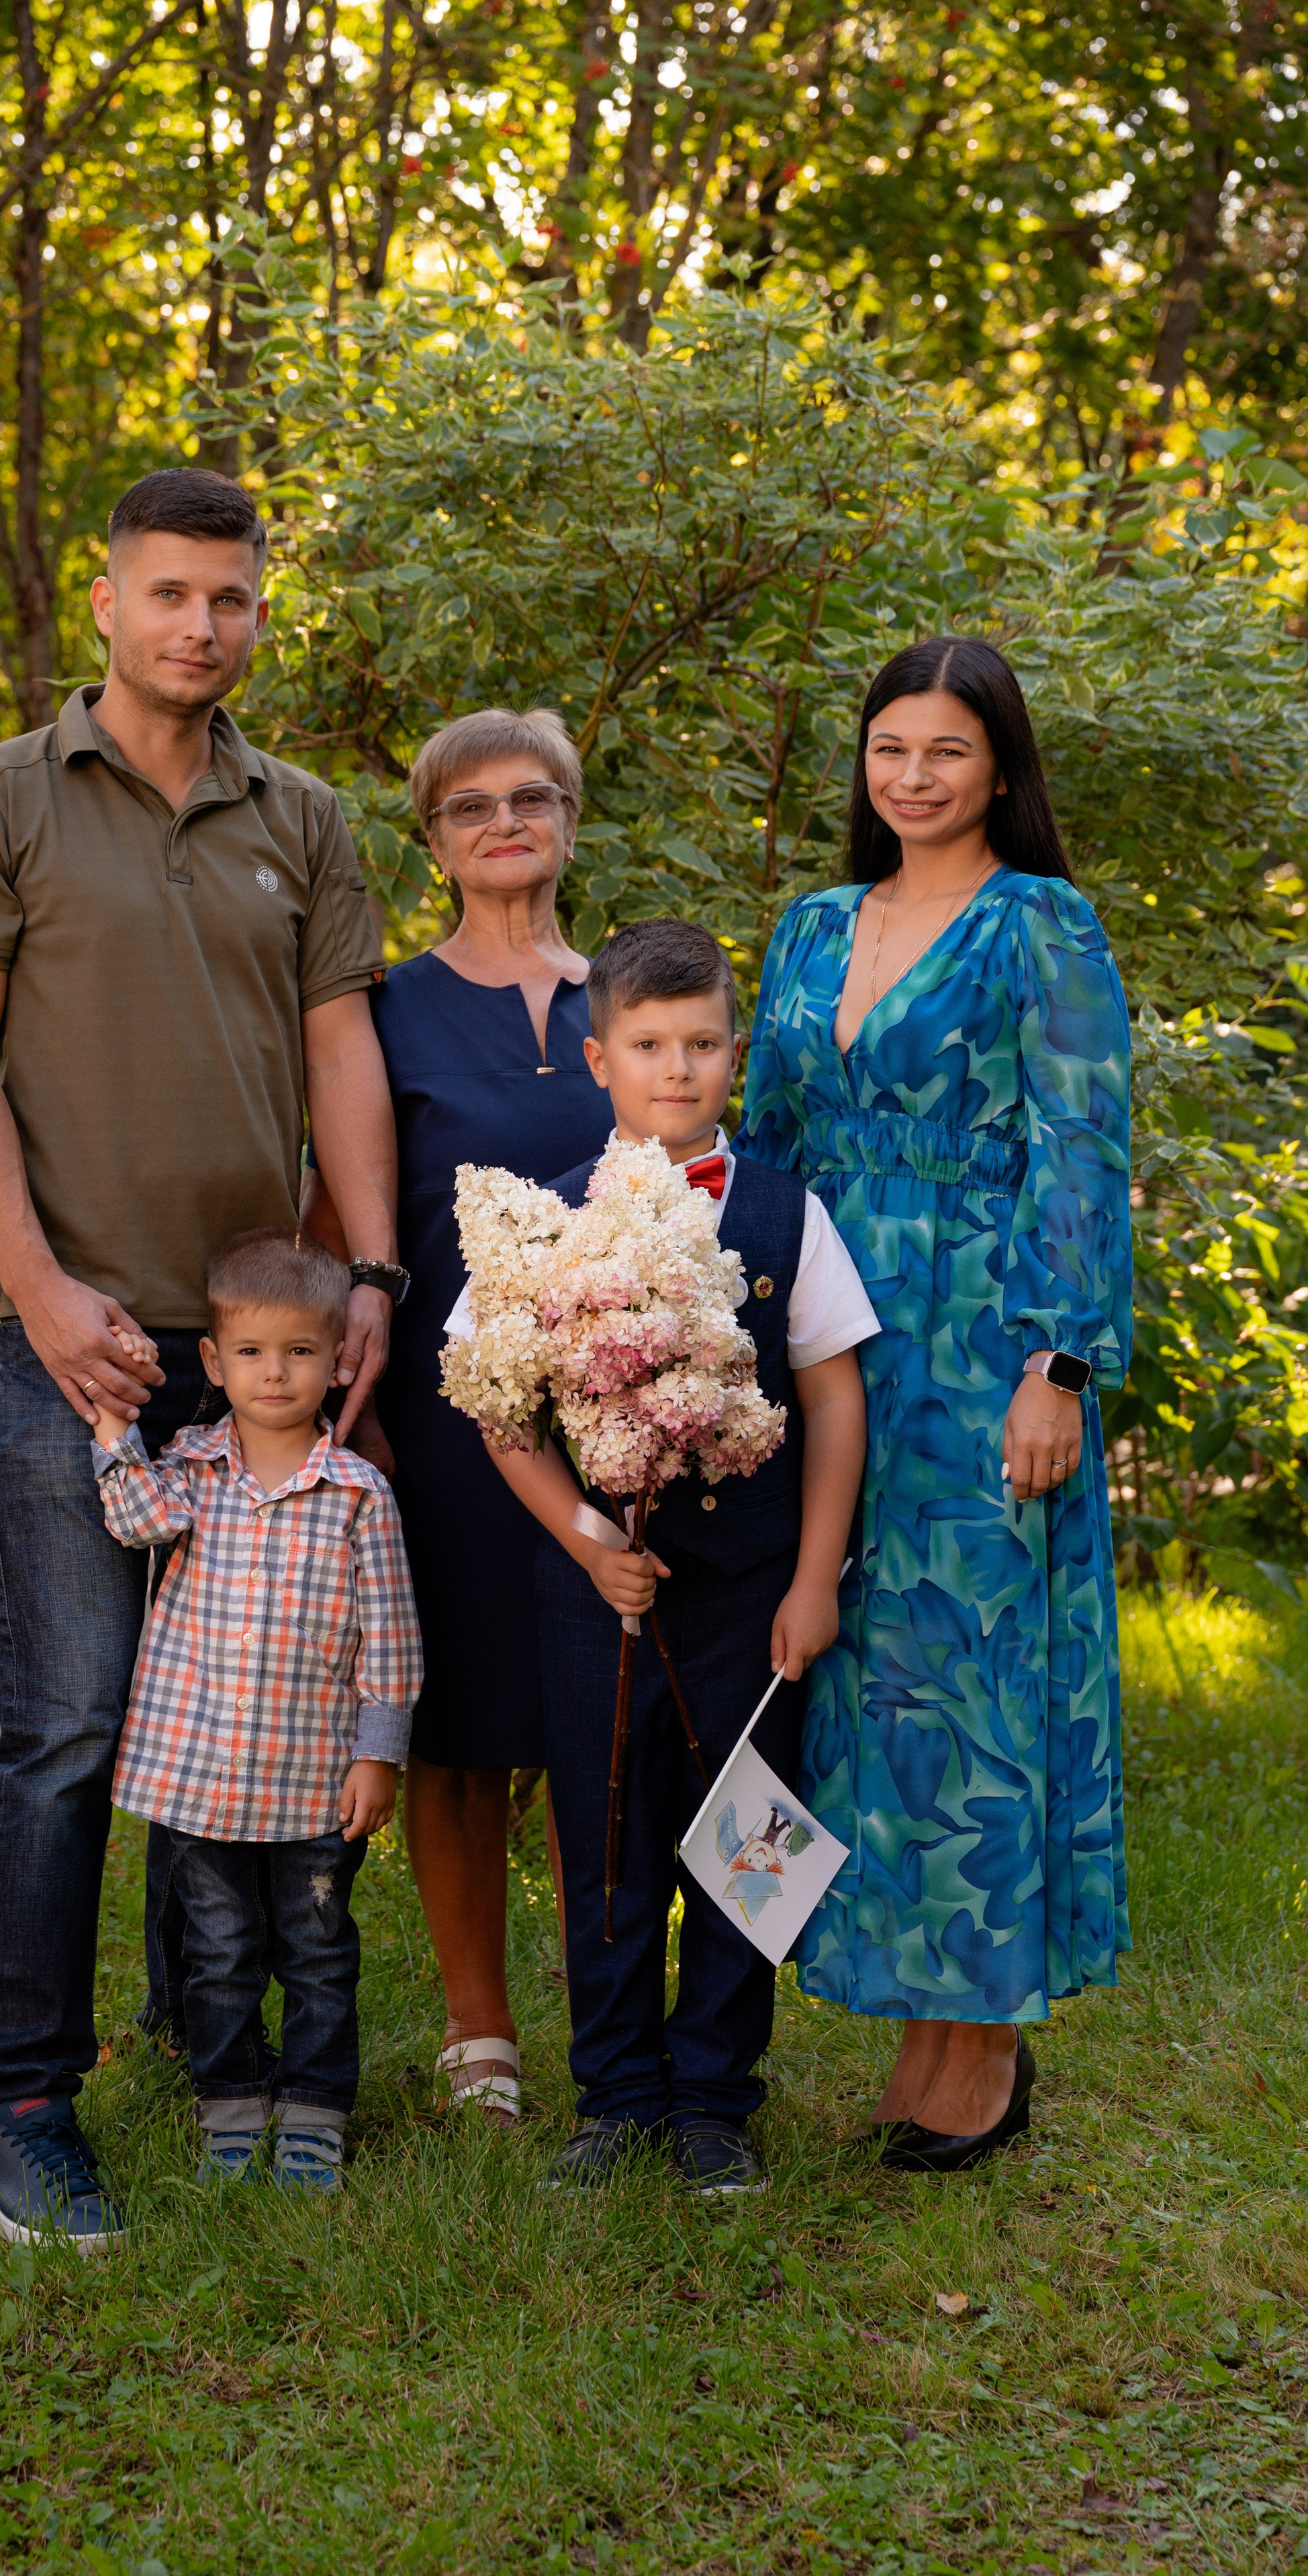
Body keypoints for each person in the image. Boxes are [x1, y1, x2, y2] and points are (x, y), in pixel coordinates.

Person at [0, 469, 404, 2247]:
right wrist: (37, 1292)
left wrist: (369, 1283)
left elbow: (342, 1056)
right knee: (73, 1731)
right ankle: (20, 2108)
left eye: (234, 600)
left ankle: (222, 2055)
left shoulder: (308, 819)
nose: (204, 626)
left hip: (266, 1343)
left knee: (251, 1721)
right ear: (102, 602)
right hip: (83, 1342)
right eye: (173, 594)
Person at [735, 632, 1133, 2174]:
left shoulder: (1039, 924)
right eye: (887, 747)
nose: (911, 776)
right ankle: (911, 2016)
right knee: (846, 1680)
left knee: (965, 1680)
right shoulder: (812, 924)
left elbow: (1079, 1149)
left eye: (945, 751)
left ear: (1000, 770)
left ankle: (982, 2041)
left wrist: (1057, 1365)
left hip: (977, 1347)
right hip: (823, 1340)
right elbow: (760, 1142)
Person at [483, 918, 880, 2195]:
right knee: (606, 1841)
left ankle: (716, 2099)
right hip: (594, 1595)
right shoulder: (544, 1225)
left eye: (704, 1045)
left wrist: (815, 1578)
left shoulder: (783, 1213)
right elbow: (500, 1413)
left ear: (735, 1057)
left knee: (745, 1842)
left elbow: (833, 1400)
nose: (678, 1069)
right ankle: (616, 2098)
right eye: (649, 1046)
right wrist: (589, 1542)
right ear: (598, 1059)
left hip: (750, 1597)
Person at [303, 708, 614, 2128]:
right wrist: (344, 1406)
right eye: (470, 804)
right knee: (456, 1724)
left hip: (622, 1417)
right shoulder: (388, 1008)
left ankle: (610, 2012)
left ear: (567, 819)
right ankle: (477, 2029)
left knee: (599, 1719)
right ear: (429, 839)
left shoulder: (626, 997)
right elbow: (342, 1215)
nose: (505, 820)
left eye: (531, 796)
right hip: (441, 1420)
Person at [73, 1231, 421, 2203]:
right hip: (201, 1775)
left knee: (316, 1948)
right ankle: (229, 2106)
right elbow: (134, 1517)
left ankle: (313, 2111)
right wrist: (111, 1430)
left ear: (337, 1361)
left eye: (302, 1353)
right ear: (216, 1363)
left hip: (315, 1780)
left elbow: (391, 1638)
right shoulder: (192, 1467)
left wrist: (379, 1757)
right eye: (255, 1354)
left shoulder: (358, 1496)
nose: (277, 1374)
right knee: (218, 1953)